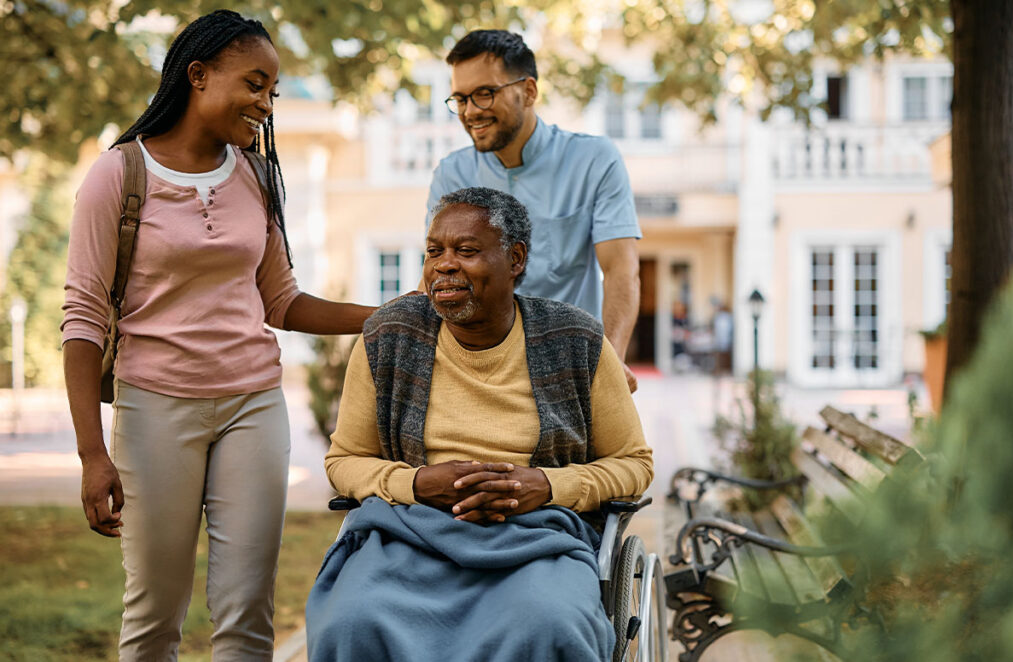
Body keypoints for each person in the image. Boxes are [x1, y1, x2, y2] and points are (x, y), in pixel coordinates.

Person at [60, 11, 377, 660]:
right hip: (154, 410)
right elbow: (84, 320)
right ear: (198, 76)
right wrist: (93, 455)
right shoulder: (119, 176)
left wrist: (386, 314)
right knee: (154, 615)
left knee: (246, 615)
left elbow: (282, 301)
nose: (265, 103)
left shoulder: (256, 178)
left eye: (273, 92)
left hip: (254, 406)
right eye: (254, 84)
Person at [305, 187, 653, 661]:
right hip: (411, 533)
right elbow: (344, 460)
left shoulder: (577, 339)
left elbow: (633, 463)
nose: (444, 265)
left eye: (466, 251)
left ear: (515, 259)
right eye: (434, 252)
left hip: (538, 538)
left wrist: (545, 486)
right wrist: (417, 483)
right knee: (352, 619)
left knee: (550, 622)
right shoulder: (389, 336)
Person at [427, 30, 642, 391]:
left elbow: (621, 269)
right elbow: (439, 277)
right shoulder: (452, 174)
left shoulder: (594, 161)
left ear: (528, 91)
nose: (470, 112)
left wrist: (611, 361)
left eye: (484, 94)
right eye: (461, 99)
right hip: (478, 376)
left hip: (570, 372)